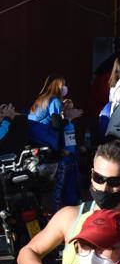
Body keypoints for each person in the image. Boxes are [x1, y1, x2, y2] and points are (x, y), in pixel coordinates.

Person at [28, 75, 82, 209]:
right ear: (57, 86)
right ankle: (57, 213)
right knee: (56, 189)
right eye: (63, 85)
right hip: (46, 145)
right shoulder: (55, 100)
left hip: (34, 144)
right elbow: (56, 124)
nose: (65, 88)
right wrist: (69, 118)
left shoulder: (41, 100)